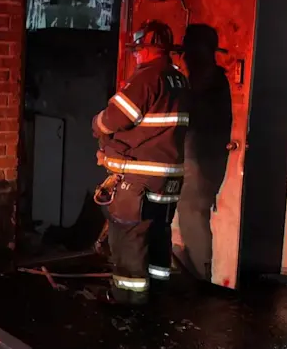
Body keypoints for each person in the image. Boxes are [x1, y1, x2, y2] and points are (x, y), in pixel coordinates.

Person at [92, 20, 190, 305]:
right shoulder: (179, 79)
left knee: (128, 235)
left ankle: (127, 302)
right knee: (158, 233)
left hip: (138, 178)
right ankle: (157, 295)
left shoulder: (147, 78)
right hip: (168, 176)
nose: (135, 55)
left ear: (150, 50)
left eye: (138, 50)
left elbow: (115, 118)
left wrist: (97, 124)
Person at [177, 24, 232, 282]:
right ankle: (196, 273)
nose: (185, 56)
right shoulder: (211, 80)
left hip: (200, 162)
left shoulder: (208, 83)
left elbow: (193, 120)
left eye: (189, 50)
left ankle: (199, 276)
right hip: (204, 161)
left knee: (193, 216)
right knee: (191, 216)